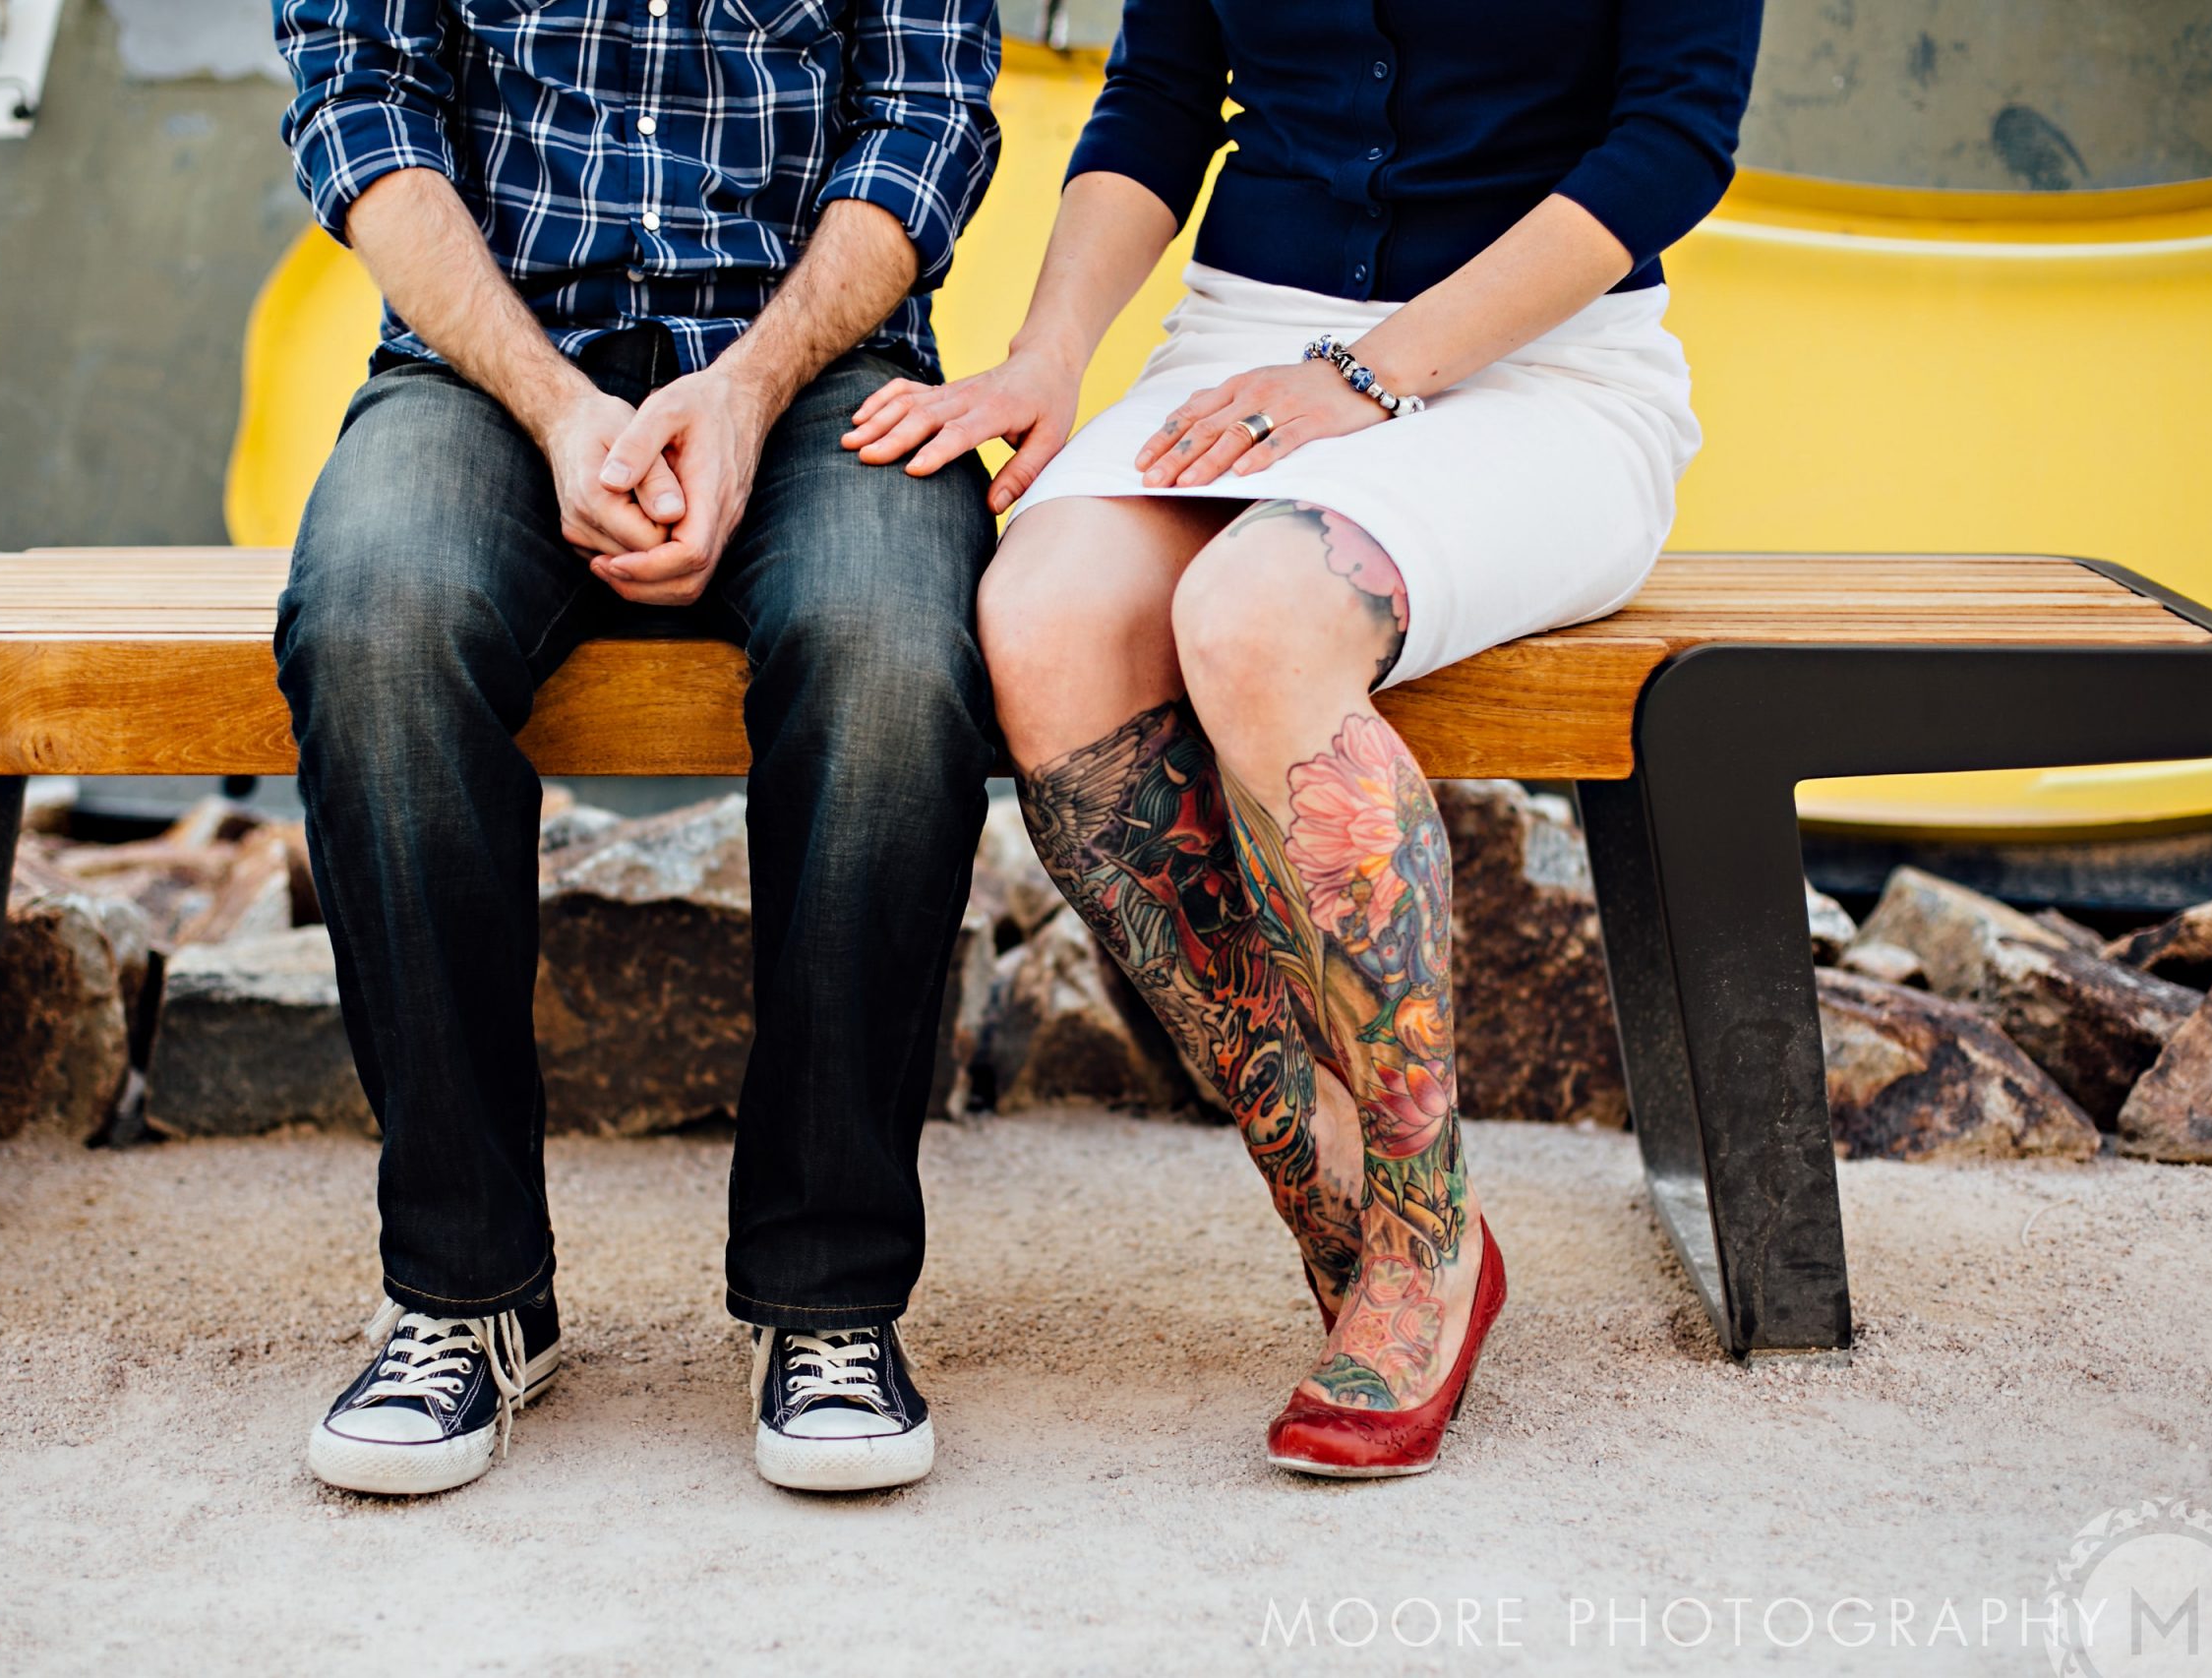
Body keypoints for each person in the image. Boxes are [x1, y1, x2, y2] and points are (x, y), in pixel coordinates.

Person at [849, 0, 1760, 1475]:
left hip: (1540, 364)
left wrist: (1363, 379)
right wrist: (1050, 356)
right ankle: (1325, 1178)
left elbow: (1674, 140)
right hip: (1243, 341)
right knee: (1043, 622)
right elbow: (1157, 93)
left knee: (1259, 617)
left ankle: (1418, 1233)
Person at [271, 0, 1001, 1497]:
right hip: (489, 365)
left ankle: (828, 1301)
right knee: (375, 622)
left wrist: (742, 388)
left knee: (890, 651)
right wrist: (555, 407)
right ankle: (464, 1291)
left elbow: (926, 116)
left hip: (820, 368)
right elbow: (361, 101)